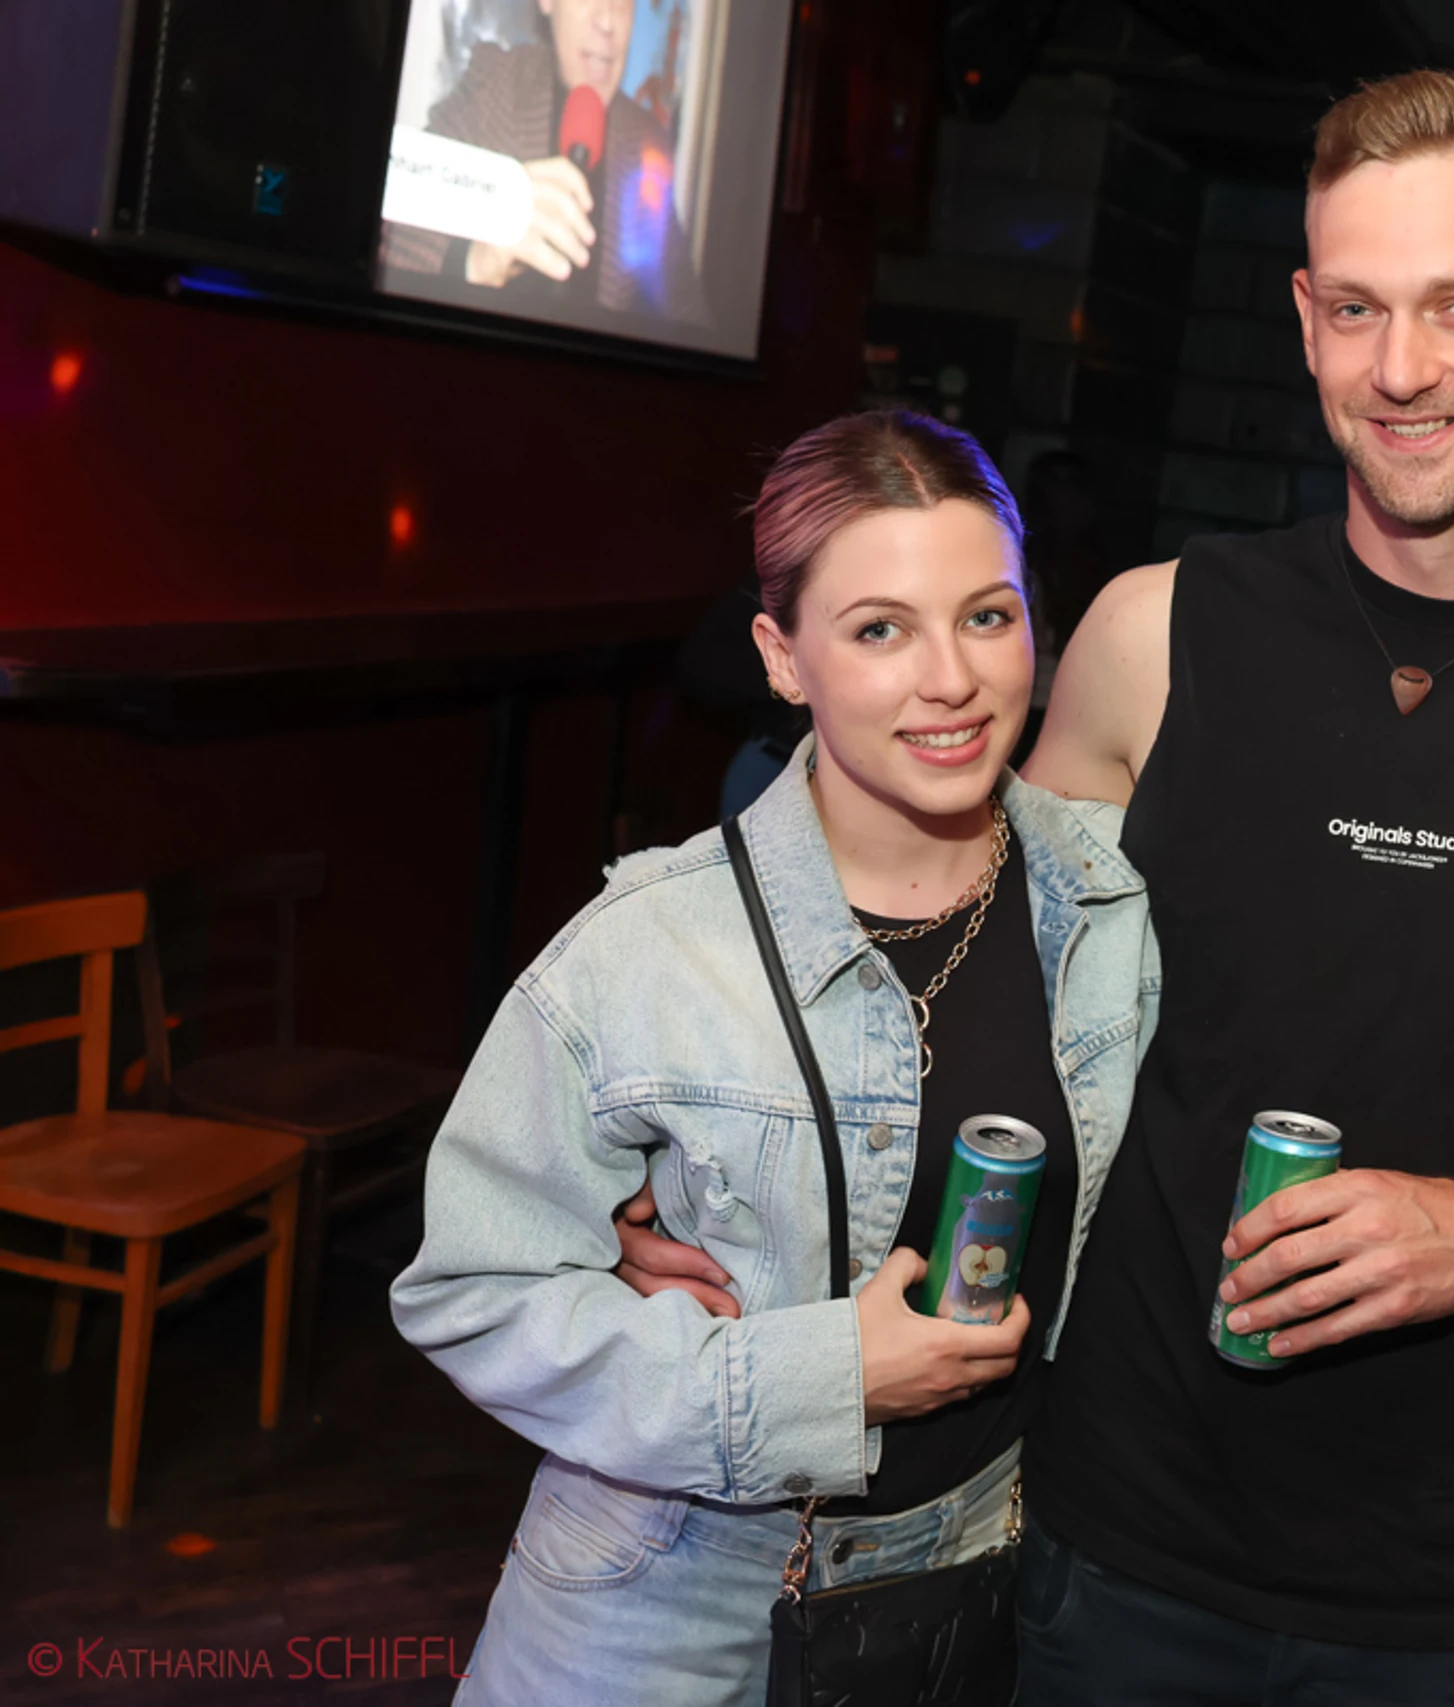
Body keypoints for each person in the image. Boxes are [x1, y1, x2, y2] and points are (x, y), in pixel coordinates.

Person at [623, 68, 1454, 1703]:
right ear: (1306, 320)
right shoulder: (1153, 638)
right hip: (1110, 1542)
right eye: (1358, 309)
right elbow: (957, 977)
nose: (1402, 368)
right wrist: (697, 1167)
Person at [389, 410, 1154, 1707]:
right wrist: (816, 1376)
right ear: (782, 657)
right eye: (879, 630)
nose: (952, 679)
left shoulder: (1114, 909)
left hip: (979, 1563)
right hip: (674, 1580)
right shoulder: (645, 948)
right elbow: (472, 1288)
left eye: (987, 615)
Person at [381, 0, 705, 322]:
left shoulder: (644, 140)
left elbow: (687, 310)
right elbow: (390, 245)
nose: (608, 21)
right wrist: (474, 265)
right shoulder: (491, 88)